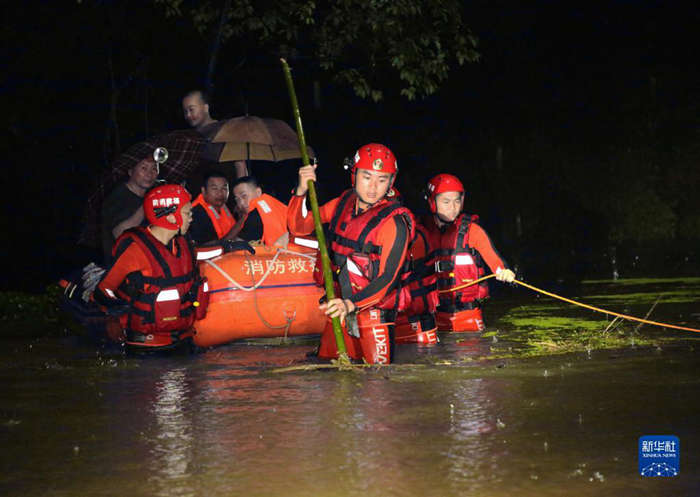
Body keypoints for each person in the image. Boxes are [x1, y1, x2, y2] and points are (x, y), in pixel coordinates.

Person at [288, 143, 414, 364]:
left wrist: (350, 304)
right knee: (325, 372)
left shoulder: (395, 224)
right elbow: (299, 227)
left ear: (391, 183)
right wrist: (301, 191)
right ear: (354, 175)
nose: (373, 187)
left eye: (382, 180)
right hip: (339, 312)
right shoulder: (342, 204)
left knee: (377, 385)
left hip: (373, 318)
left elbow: (388, 278)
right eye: (367, 177)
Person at [95, 184, 209, 351]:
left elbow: (201, 254)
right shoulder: (135, 249)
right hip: (148, 348)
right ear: (170, 217)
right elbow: (103, 290)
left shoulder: (183, 244)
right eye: (187, 213)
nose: (191, 218)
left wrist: (227, 247)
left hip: (184, 341)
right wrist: (116, 314)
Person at [402, 174, 515, 334]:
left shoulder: (472, 231)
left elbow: (492, 257)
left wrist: (503, 271)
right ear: (432, 202)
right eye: (446, 201)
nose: (452, 207)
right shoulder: (422, 233)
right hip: (432, 317)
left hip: (467, 314)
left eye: (457, 201)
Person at [101, 153, 159, 263]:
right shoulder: (118, 196)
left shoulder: (150, 196)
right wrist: (146, 205)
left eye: (154, 169)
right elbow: (120, 233)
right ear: (130, 171)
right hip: (121, 267)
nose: (150, 174)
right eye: (143, 168)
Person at [182, 89, 247, 178]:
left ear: (205, 108)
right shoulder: (189, 138)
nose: (188, 115)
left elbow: (240, 164)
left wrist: (242, 189)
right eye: (185, 111)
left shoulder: (225, 130)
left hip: (226, 188)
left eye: (191, 109)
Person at [232, 176, 289, 247]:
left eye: (244, 196)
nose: (241, 203)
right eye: (237, 199)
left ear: (258, 192)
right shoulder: (276, 205)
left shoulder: (255, 215)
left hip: (275, 255)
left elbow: (238, 246)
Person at [189, 170, 242, 246]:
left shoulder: (226, 205)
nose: (220, 193)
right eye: (214, 189)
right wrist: (242, 221)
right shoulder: (196, 212)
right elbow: (211, 246)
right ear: (204, 191)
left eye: (224, 188)